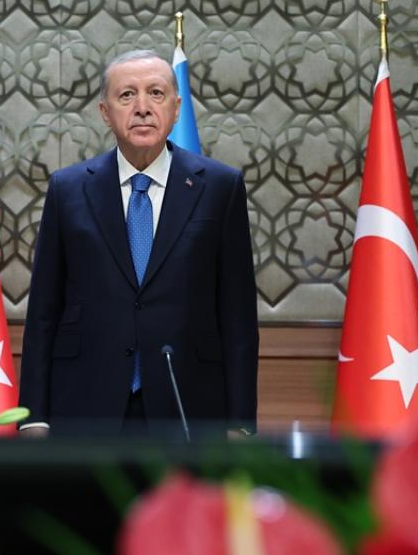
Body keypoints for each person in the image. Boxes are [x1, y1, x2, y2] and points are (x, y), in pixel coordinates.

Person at [19, 50, 258, 438]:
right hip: (86, 403)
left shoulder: (219, 187)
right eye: (127, 95)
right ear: (104, 111)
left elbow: (238, 317)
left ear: (176, 108)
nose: (143, 108)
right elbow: (44, 312)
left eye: (156, 93)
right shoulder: (69, 189)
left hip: (187, 403)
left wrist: (241, 423)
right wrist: (34, 415)